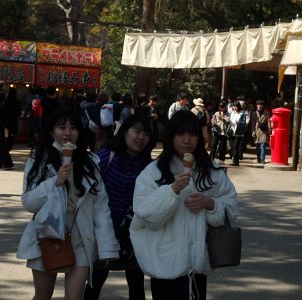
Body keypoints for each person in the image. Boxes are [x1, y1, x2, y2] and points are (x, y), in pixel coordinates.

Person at [129, 110, 238, 300]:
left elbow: (231, 207)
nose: (187, 140)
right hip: (164, 264)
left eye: (192, 134)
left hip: (197, 267)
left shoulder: (211, 171)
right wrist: (172, 191)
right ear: (171, 137)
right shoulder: (153, 172)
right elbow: (145, 215)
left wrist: (209, 204)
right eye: (180, 134)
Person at [17, 109, 119, 300]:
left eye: (73, 128)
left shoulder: (90, 164)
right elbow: (29, 203)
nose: (67, 133)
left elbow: (101, 208)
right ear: (51, 131)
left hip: (80, 236)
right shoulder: (38, 160)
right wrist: (55, 181)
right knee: (43, 295)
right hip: (46, 236)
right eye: (61, 127)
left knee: (74, 296)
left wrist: (107, 247)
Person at [84, 115, 154, 300]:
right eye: (137, 132)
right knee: (96, 280)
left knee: (137, 283)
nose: (141, 137)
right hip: (104, 230)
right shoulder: (106, 155)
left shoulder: (149, 164)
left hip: (134, 232)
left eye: (146, 134)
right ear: (125, 132)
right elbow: (84, 183)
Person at [251, 100, 271, 164]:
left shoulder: (267, 113)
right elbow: (253, 123)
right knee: (258, 146)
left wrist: (269, 131)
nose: (259, 106)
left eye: (260, 105)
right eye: (258, 105)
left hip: (264, 131)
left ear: (263, 105)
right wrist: (253, 131)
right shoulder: (254, 113)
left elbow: (268, 122)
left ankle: (262, 159)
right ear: (256, 106)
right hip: (257, 131)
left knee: (263, 145)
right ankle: (258, 158)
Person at [228, 102, 247, 166]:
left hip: (238, 132)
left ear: (239, 107)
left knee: (235, 147)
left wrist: (238, 122)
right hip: (231, 131)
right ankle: (234, 159)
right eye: (234, 106)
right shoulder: (231, 113)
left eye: (236, 106)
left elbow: (244, 123)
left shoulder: (242, 114)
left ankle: (235, 162)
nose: (235, 108)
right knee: (232, 147)